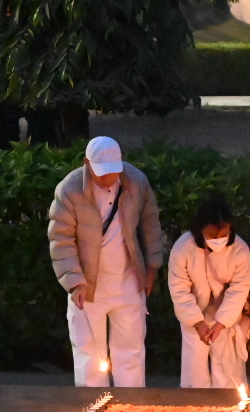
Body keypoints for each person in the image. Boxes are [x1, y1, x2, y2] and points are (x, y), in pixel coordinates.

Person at [47, 137, 163, 387]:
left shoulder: (136, 182)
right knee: (90, 355)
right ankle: (92, 411)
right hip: (88, 285)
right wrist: (74, 281)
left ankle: (130, 410)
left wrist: (152, 265)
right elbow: (61, 238)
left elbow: (150, 222)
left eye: (113, 171)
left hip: (128, 282)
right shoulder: (69, 188)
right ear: (87, 163)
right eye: (102, 172)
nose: (108, 178)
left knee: (130, 351)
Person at [169, 192, 250, 389]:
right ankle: (195, 411)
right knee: (194, 375)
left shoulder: (239, 249)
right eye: (213, 235)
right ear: (200, 229)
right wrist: (197, 322)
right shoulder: (183, 248)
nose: (219, 239)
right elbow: (179, 289)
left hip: (228, 316)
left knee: (227, 372)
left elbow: (239, 288)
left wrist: (222, 322)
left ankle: (230, 409)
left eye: (224, 234)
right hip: (193, 315)